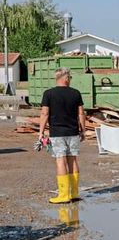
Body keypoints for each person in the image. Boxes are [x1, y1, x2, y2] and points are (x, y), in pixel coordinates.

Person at [38, 67, 86, 204]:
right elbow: (81, 114)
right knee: (73, 160)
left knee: (60, 161)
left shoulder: (48, 94)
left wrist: (41, 132)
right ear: (65, 78)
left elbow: (44, 114)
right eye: (69, 78)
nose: (70, 80)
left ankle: (63, 195)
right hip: (73, 133)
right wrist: (82, 130)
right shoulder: (76, 93)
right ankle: (74, 193)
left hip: (57, 134)